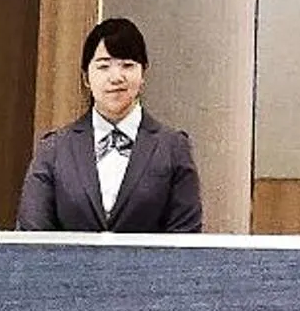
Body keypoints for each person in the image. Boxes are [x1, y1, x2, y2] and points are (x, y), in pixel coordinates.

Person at [16, 17, 203, 234]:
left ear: (143, 74)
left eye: (127, 65)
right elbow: (32, 235)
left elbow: (185, 238)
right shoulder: (54, 149)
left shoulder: (173, 148)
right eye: (103, 66)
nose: (116, 77)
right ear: (86, 77)